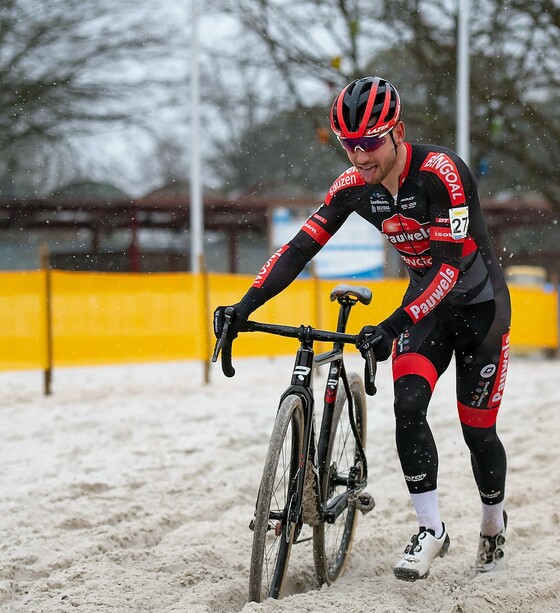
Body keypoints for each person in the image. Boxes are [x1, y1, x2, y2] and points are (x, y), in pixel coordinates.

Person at [214, 76, 512, 581]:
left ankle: (491, 523)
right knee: (408, 404)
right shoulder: (354, 187)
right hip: (427, 311)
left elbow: (448, 269)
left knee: (476, 432)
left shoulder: (443, 173)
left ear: (398, 132)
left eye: (370, 142)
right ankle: (431, 529)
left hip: (480, 309)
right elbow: (300, 249)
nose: (359, 156)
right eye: (348, 144)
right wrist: (244, 306)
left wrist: (392, 323)